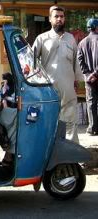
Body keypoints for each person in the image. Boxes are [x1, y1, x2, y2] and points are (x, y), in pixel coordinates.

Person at [32, 5, 83, 143]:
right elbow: (31, 64)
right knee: (50, 122)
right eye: (56, 16)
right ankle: (51, 154)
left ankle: (71, 158)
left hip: (68, 89)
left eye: (61, 16)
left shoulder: (71, 39)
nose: (59, 19)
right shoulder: (42, 38)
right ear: (50, 19)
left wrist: (76, 82)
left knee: (70, 123)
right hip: (48, 90)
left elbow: (75, 63)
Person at [77, 18, 98, 135]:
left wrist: (88, 74)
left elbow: (80, 60)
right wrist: (95, 73)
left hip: (89, 80)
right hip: (95, 76)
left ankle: (92, 128)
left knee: (91, 103)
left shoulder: (82, 43)